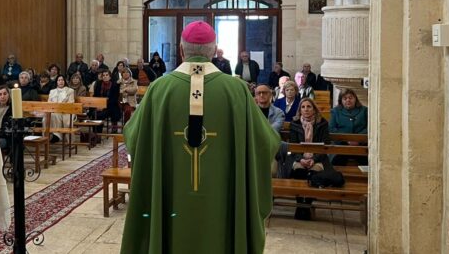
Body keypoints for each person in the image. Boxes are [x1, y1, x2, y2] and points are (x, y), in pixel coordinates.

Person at [122, 21, 279, 254]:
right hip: (223, 201)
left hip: (171, 201)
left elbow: (133, 136)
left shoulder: (159, 89)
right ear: (214, 51)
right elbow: (266, 142)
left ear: (182, 50)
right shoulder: (236, 90)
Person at [288, 97, 331, 220]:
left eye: (309, 107)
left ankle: (306, 206)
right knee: (299, 172)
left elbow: (325, 145)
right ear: (300, 110)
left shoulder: (322, 123)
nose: (306, 109)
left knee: (313, 174)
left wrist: (314, 159)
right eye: (303, 107)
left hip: (318, 158)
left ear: (314, 109)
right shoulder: (295, 124)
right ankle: (300, 205)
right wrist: (301, 159)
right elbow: (293, 146)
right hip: (299, 157)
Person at [329, 88, 368, 166]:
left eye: (350, 98)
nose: (348, 100)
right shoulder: (335, 111)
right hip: (342, 144)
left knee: (368, 162)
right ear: (341, 100)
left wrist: (358, 139)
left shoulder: (364, 110)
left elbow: (369, 128)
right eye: (345, 98)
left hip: (361, 145)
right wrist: (347, 140)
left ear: (355, 99)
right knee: (337, 161)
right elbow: (332, 129)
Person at [47, 75, 75, 142]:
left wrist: (61, 107)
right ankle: (56, 135)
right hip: (56, 111)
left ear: (64, 81)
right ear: (56, 82)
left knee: (66, 121)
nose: (61, 82)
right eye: (59, 80)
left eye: (62, 80)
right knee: (52, 116)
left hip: (67, 112)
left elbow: (71, 103)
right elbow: (49, 102)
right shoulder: (52, 91)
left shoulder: (70, 91)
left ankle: (69, 140)